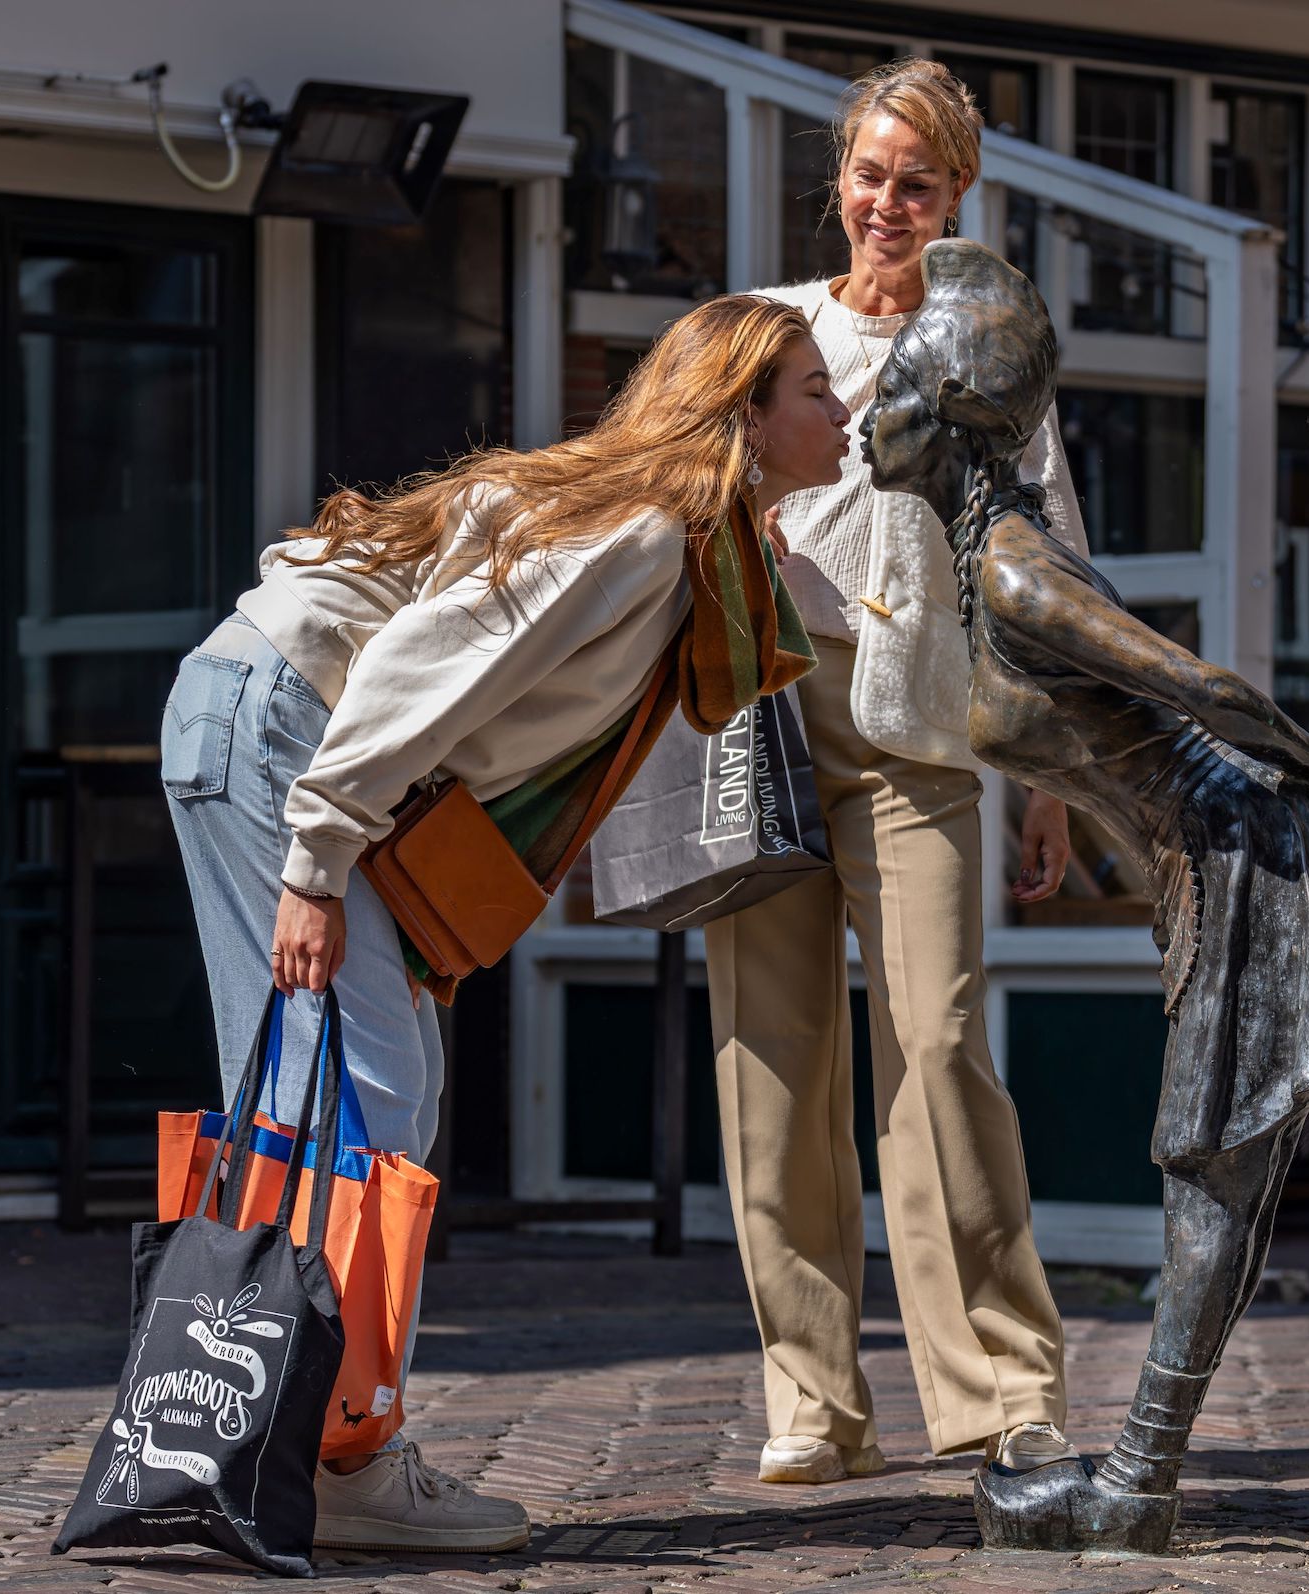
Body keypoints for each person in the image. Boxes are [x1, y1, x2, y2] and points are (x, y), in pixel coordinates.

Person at [160, 293, 847, 1552]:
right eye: (815, 389)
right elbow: (423, 665)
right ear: (742, 415)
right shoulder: (645, 533)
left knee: (353, 1096)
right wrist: (319, 856)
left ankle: (283, 1436)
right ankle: (331, 1458)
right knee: (356, 1092)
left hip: (278, 721)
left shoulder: (703, 544)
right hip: (286, 731)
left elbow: (847, 616)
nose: (841, 410)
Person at [858, 239, 1309, 1552]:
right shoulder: (985, 565)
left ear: (960, 424)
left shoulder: (1019, 570)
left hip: (1255, 842)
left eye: (896, 391)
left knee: (1213, 1170)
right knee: (1233, 1179)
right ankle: (1139, 1478)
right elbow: (1094, 745)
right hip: (1210, 855)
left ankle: (1136, 1481)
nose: (868, 415)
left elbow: (1202, 690)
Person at [715, 58, 1087, 1487]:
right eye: (869, 174)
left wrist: (1046, 772)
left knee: (935, 1047)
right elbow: (682, 488)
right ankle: (812, 1399)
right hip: (762, 722)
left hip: (922, 736)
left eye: (914, 181)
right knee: (774, 1061)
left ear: (957, 195)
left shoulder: (991, 347)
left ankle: (1002, 1387)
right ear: (840, 180)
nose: (884, 202)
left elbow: (1036, 562)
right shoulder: (769, 330)